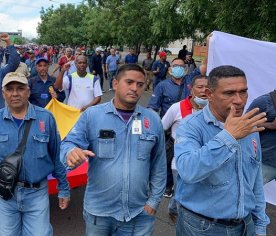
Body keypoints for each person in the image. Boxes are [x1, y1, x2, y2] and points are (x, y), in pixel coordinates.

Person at [60, 63, 166, 236]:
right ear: (116, 84)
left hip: (139, 214)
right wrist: (70, 152)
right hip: (99, 214)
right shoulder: (92, 115)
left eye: (140, 85)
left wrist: (153, 202)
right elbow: (68, 143)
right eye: (129, 82)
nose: (135, 88)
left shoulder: (152, 120)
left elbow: (159, 165)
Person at [174, 65, 270, 236]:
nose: (239, 100)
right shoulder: (190, 126)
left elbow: (254, 179)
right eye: (229, 93)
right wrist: (229, 137)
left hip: (245, 225)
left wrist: (260, 223)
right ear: (210, 95)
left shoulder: (249, 127)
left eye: (243, 92)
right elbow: (188, 170)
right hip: (202, 227)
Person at [0, 72, 70, 236]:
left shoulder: (46, 118)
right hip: (4, 195)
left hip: (36, 194)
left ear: (28, 91)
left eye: (20, 88)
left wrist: (63, 188)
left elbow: (56, 157)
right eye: (10, 89)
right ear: (3, 93)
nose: (15, 93)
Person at [161, 75, 208, 222]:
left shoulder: (214, 110)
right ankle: (179, 215)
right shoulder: (177, 108)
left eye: (208, 88)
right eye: (200, 87)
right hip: (179, 162)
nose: (204, 91)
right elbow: (161, 128)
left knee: (193, 191)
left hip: (204, 160)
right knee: (183, 190)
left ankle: (176, 208)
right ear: (191, 88)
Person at [247, 90, 276, 183]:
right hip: (264, 161)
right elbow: (243, 126)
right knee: (247, 193)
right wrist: (271, 125)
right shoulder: (264, 102)